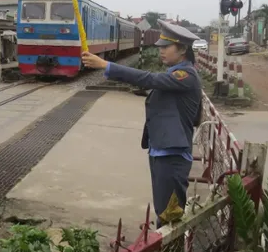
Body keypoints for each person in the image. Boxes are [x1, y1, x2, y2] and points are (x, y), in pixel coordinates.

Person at [81, 21, 202, 228]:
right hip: (162, 149)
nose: (161, 51)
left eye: (166, 47)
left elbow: (149, 79)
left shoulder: (186, 75)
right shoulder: (176, 74)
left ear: (182, 49)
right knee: (162, 209)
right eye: (160, 47)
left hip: (172, 155)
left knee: (169, 214)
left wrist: (105, 65)